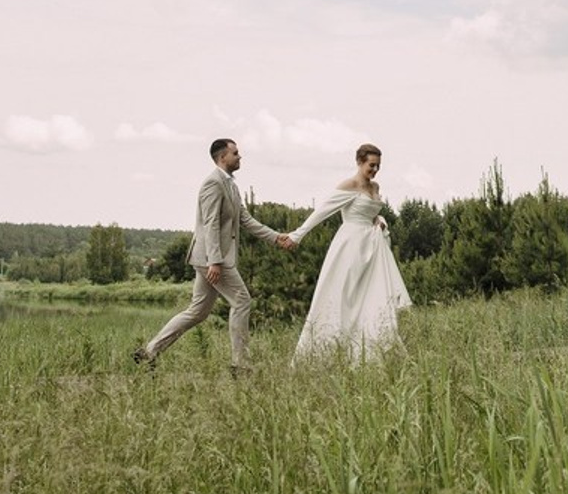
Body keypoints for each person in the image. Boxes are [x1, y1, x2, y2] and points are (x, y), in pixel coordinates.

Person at [134, 138, 292, 376]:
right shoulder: (213, 183)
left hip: (211, 258)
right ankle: (241, 365)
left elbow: (244, 219)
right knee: (242, 301)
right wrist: (214, 261)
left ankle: (149, 352)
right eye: (236, 153)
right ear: (222, 157)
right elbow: (211, 223)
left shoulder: (231, 185)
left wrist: (275, 237)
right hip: (213, 258)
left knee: (197, 311)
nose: (240, 157)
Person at [287, 143, 411, 362]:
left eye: (378, 166)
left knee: (373, 297)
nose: (375, 170)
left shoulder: (375, 188)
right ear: (359, 162)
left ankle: (371, 350)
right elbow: (321, 212)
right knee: (343, 296)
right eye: (371, 165)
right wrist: (297, 235)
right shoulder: (349, 185)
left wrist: (380, 221)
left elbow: (373, 213)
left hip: (372, 248)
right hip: (350, 246)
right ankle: (330, 351)